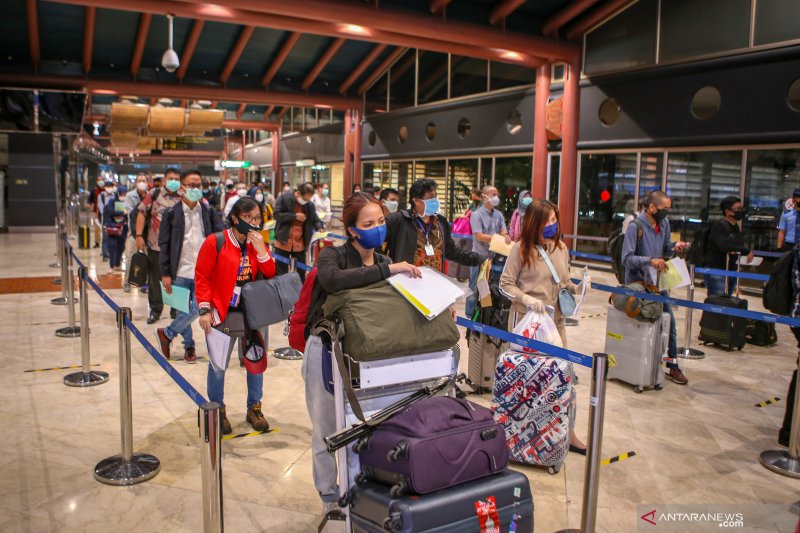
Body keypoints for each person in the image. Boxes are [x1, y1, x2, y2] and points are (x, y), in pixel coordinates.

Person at [301, 192, 421, 519]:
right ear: (352, 230)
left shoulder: (383, 262)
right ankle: (329, 500)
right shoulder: (333, 256)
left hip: (364, 358)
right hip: (325, 352)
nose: (378, 228)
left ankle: (358, 494)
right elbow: (333, 281)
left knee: (362, 430)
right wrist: (390, 270)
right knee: (326, 430)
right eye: (368, 224)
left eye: (381, 221)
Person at [499, 198, 589, 453]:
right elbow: (505, 284)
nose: (553, 225)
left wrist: (578, 287)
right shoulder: (520, 249)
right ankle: (518, 435)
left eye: (554, 219)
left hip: (555, 323)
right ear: (534, 223)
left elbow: (565, 282)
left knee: (563, 378)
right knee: (526, 380)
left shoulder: (560, 248)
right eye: (548, 220)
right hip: (526, 324)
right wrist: (526, 298)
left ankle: (567, 434)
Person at [195, 197, 277, 434]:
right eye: (248, 218)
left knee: (255, 362)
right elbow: (202, 277)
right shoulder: (215, 242)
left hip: (253, 313)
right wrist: (204, 309)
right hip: (222, 313)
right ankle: (217, 410)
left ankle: (254, 407)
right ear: (234, 218)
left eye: (257, 218)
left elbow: (270, 272)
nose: (254, 222)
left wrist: (261, 249)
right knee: (218, 365)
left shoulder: (256, 243)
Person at [621, 190, 690, 385]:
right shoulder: (635, 226)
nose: (666, 212)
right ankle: (634, 364)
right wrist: (650, 261)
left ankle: (672, 365)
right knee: (640, 326)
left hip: (659, 283)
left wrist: (675, 247)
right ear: (651, 207)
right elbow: (626, 258)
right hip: (638, 285)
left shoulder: (664, 224)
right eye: (664, 208)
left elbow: (666, 247)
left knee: (670, 324)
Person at [155, 170, 224, 364]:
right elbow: (164, 245)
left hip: (204, 271)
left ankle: (167, 333)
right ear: (182, 188)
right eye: (191, 185)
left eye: (198, 185)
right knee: (180, 309)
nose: (195, 189)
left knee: (198, 308)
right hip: (180, 271)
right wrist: (166, 273)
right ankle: (189, 346)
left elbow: (221, 235)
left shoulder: (208, 211)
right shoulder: (170, 213)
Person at [385, 178, 482, 274]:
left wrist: (476, 259)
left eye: (436, 196)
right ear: (416, 201)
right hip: (408, 280)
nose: (435, 200)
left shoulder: (440, 222)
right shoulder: (400, 219)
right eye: (431, 197)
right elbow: (378, 244)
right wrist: (385, 268)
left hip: (435, 281)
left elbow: (451, 251)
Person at [136, 168, 182, 324]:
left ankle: (176, 310)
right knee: (155, 280)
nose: (174, 181)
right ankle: (155, 310)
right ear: (164, 180)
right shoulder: (154, 194)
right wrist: (138, 235)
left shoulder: (183, 196)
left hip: (177, 249)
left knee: (177, 280)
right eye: (171, 178)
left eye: (177, 178)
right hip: (155, 245)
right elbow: (141, 213)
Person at [466, 185, 511, 319]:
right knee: (474, 288)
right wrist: (497, 238)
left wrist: (506, 235)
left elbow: (503, 231)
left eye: (497, 194)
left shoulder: (498, 215)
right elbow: (479, 236)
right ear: (484, 196)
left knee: (489, 289)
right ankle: (469, 316)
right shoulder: (476, 215)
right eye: (493, 194)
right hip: (478, 258)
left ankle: (484, 316)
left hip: (493, 259)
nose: (496, 197)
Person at [703, 196, 753, 296]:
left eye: (741, 208)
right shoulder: (719, 225)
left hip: (730, 270)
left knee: (726, 302)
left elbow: (736, 244)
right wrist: (746, 251)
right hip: (717, 270)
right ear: (727, 211)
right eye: (737, 209)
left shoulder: (735, 226)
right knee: (717, 303)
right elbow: (724, 245)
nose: (741, 211)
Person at [274, 182, 324, 280]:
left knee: (301, 271)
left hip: (300, 243)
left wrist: (319, 227)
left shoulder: (309, 205)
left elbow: (315, 219)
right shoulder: (284, 198)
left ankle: (300, 292)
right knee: (281, 272)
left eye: (308, 199)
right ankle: (281, 292)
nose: (306, 201)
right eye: (305, 199)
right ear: (297, 193)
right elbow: (276, 215)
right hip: (282, 241)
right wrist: (294, 216)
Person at [123, 175, 150, 292]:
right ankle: (127, 282)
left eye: (144, 181)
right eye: (139, 181)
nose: (142, 183)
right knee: (131, 257)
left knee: (149, 259)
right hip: (134, 232)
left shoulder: (151, 195)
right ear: (135, 183)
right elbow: (131, 213)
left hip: (148, 233)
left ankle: (145, 283)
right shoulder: (130, 196)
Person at [103, 186, 128, 272]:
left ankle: (118, 264)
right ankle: (112, 265)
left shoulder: (127, 201)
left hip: (123, 227)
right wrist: (122, 212)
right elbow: (111, 212)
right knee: (112, 246)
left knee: (121, 246)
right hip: (113, 227)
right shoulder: (112, 201)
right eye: (122, 194)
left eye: (125, 194)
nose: (123, 195)